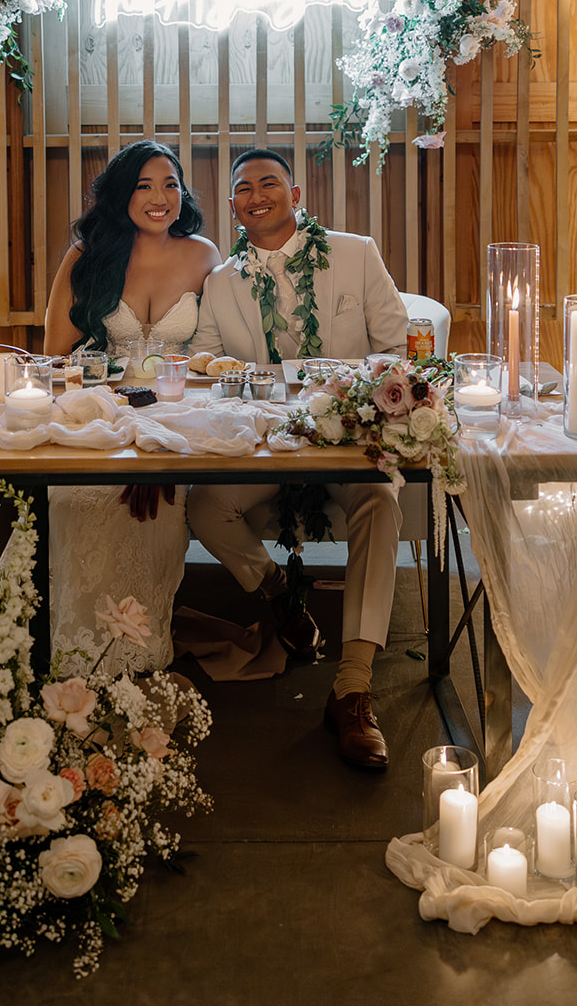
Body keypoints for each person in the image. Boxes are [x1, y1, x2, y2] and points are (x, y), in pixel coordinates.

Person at [187, 148, 409, 770]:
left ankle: (354, 688)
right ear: (232, 205)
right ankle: (281, 594)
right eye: (242, 188)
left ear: (296, 193)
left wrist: (342, 389)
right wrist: (215, 365)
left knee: (381, 501)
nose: (256, 194)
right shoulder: (223, 281)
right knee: (206, 508)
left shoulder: (355, 253)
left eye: (269, 182)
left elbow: (394, 346)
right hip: (263, 443)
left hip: (348, 440)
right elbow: (206, 355)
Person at [43, 140, 220, 674]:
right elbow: (55, 354)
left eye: (170, 183)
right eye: (144, 185)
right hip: (98, 410)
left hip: (176, 412)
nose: (160, 197)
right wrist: (116, 425)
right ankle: (71, 654)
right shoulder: (87, 256)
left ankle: (138, 659)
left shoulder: (204, 255)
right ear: (122, 194)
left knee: (159, 505)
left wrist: (157, 446)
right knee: (82, 500)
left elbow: (216, 360)